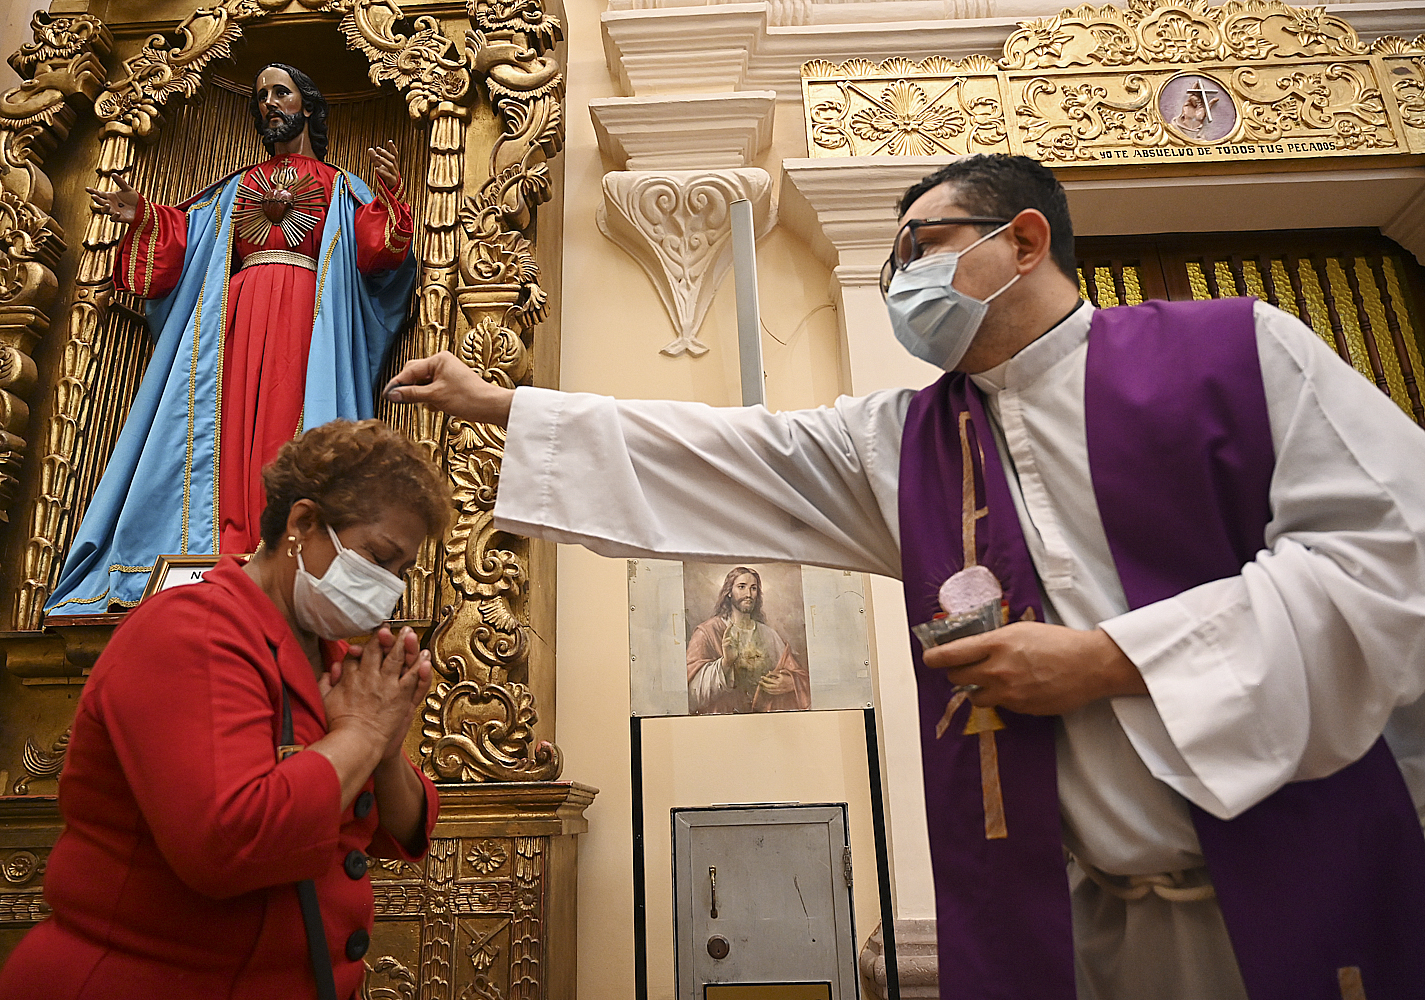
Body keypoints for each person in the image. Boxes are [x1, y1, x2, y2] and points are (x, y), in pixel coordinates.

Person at [382, 154, 1425, 1000]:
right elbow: (726, 451)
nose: (900, 281)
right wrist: (511, 406)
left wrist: (1114, 661)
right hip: (1082, 925)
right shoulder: (908, 437)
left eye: (921, 247)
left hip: (1295, 887)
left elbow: (1391, 562)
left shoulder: (1236, 350)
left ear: (1023, 241)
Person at [0, 419, 450, 1000]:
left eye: (401, 571)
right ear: (303, 523)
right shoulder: (191, 630)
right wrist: (361, 732)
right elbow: (229, 841)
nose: (388, 587)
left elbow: (400, 829)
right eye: (377, 558)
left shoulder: (332, 651)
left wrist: (384, 747)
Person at [46, 62, 417, 615]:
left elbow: (377, 256)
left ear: (309, 106)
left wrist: (388, 198)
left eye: (282, 92)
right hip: (234, 325)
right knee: (228, 430)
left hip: (306, 326)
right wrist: (145, 217)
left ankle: (285, 551)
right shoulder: (236, 188)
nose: (269, 102)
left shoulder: (340, 186)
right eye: (261, 94)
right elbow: (187, 243)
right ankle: (223, 548)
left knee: (288, 431)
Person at [687, 566, 811, 714]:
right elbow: (691, 694)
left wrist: (792, 683)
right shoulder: (707, 632)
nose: (748, 594)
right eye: (741, 587)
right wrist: (725, 663)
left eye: (753, 588)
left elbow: (800, 675)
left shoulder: (769, 635)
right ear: (729, 592)